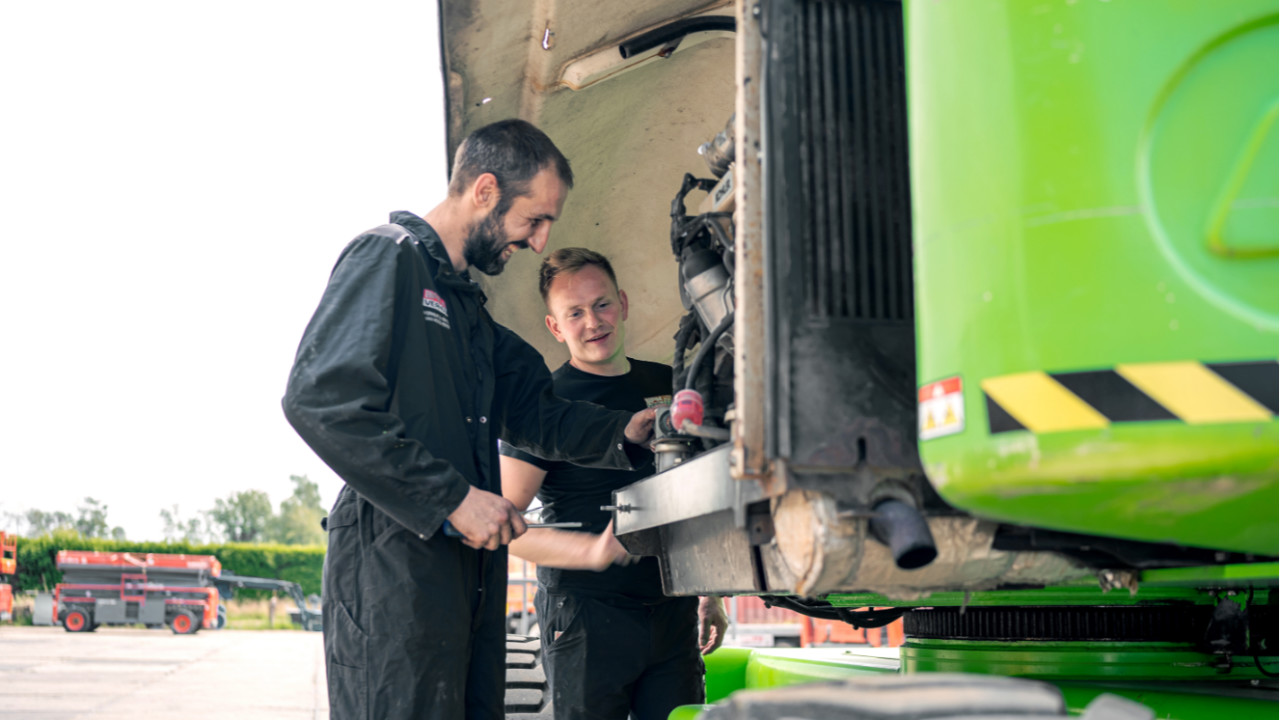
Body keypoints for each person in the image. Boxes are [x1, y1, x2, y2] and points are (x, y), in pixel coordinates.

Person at [282, 120, 657, 720]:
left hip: (469, 573)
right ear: (485, 191)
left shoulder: (469, 312)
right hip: (395, 569)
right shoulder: (389, 258)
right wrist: (454, 499)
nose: (539, 242)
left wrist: (626, 432)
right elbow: (320, 399)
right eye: (533, 220)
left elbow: (539, 414)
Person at [499, 247, 729, 720]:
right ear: (555, 327)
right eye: (575, 313)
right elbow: (503, 526)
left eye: (601, 304)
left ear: (623, 304)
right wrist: (590, 551)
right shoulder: (546, 406)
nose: (593, 322)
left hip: (671, 607)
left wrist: (711, 591)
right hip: (586, 613)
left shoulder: (669, 382)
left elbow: (701, 493)